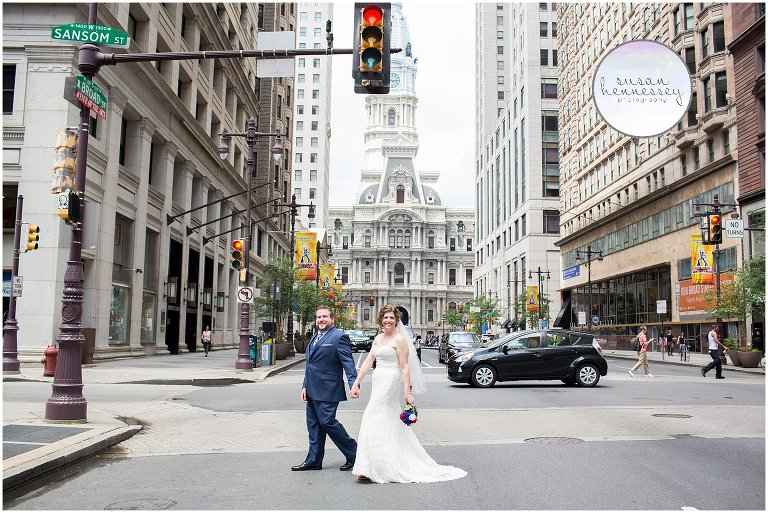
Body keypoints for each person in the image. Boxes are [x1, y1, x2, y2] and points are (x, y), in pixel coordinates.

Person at [349, 304, 466, 484]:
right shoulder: (378, 338)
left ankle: (375, 466)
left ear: (397, 321)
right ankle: (370, 465)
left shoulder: (400, 340)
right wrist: (356, 383)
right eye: (385, 318)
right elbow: (368, 362)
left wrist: (407, 393)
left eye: (392, 318)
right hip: (378, 378)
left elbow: (405, 367)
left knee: (373, 415)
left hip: (390, 380)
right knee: (383, 418)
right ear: (380, 320)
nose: (388, 321)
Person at [292, 306, 358, 472]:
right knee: (313, 426)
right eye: (319, 317)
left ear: (332, 319)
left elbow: (348, 362)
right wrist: (304, 386)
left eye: (324, 317)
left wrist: (354, 383)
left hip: (329, 389)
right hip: (312, 389)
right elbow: (310, 365)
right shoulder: (315, 336)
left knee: (327, 422)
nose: (321, 320)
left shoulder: (339, 337)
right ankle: (314, 460)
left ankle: (355, 453)